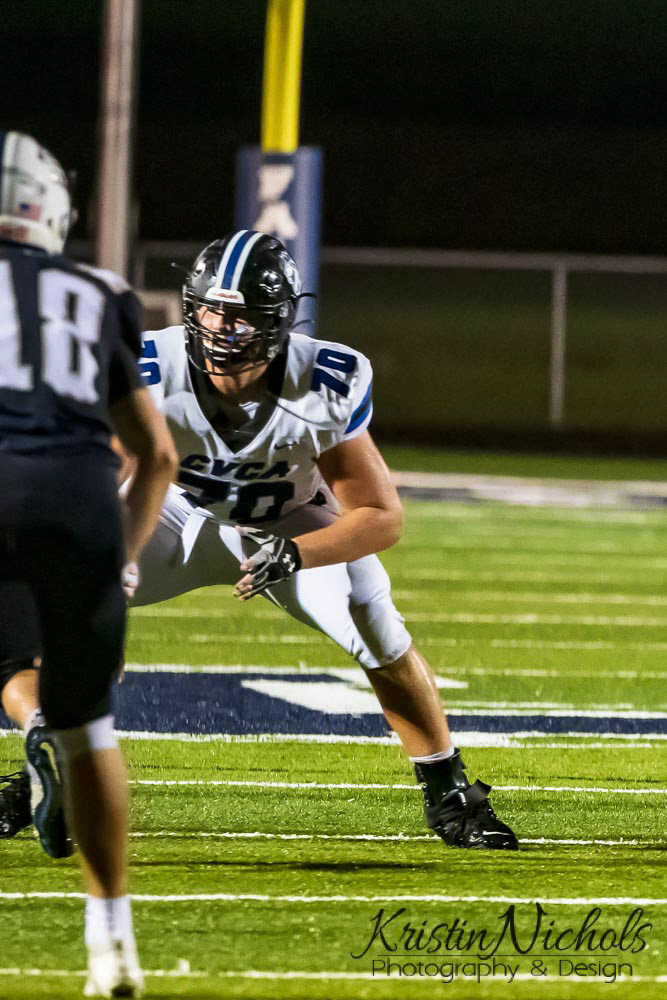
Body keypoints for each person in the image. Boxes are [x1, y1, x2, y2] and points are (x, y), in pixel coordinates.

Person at [0, 227, 517, 852]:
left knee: (373, 620)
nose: (223, 329)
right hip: (175, 512)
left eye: (241, 315)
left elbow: (381, 515)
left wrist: (299, 553)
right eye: (212, 311)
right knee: (49, 608)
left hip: (290, 522)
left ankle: (450, 795)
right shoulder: (149, 367)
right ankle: (44, 766)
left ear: (279, 321)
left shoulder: (323, 382)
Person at [0, 130, 177, 997]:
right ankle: (112, 941)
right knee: (90, 727)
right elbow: (157, 456)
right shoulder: (102, 293)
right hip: (76, 499)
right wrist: (122, 562)